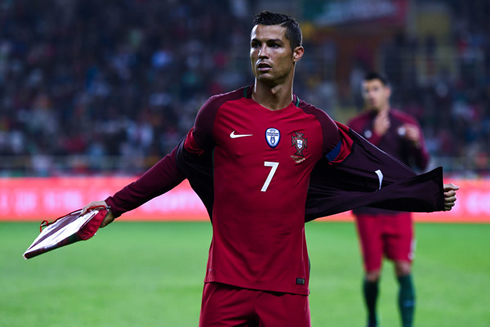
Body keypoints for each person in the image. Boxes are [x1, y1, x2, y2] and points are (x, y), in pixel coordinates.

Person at [82, 12, 458, 327]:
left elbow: (367, 166)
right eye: (256, 44)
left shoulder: (318, 126)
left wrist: (424, 191)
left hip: (287, 288)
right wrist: (114, 206)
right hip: (225, 284)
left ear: (296, 54)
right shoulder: (218, 112)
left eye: (274, 45)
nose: (262, 53)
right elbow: (175, 164)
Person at [347, 72, 430, 327]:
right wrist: (375, 135)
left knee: (404, 269)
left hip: (399, 208)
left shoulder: (406, 123)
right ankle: (372, 319)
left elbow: (422, 164)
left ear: (387, 91)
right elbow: (352, 166)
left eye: (375, 89)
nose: (370, 94)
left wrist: (416, 144)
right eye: (366, 90)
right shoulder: (357, 125)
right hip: (368, 210)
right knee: (372, 274)